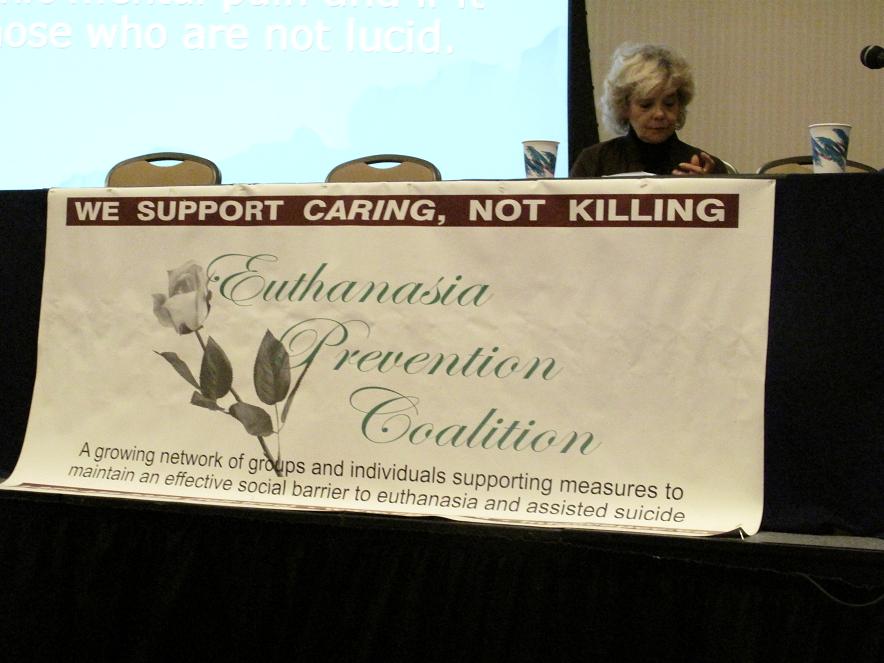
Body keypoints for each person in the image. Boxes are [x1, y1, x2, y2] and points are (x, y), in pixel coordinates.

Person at [571, 43, 728, 177]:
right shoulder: (594, 162)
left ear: (680, 105)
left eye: (669, 103)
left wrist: (706, 190)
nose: (659, 114)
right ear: (624, 107)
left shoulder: (706, 168)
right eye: (646, 105)